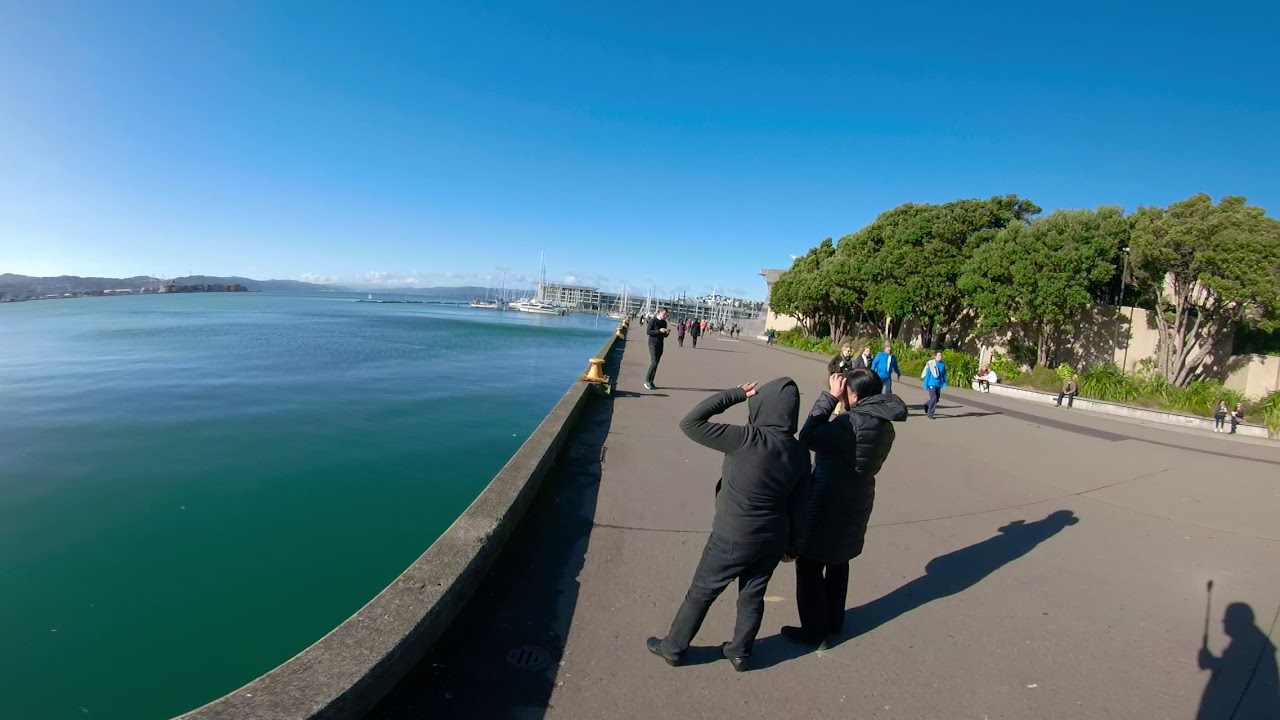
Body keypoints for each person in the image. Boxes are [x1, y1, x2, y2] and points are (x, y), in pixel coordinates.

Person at [648, 378, 808, 672]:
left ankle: (673, 647)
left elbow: (691, 422)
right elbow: (800, 503)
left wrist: (735, 394)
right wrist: (793, 545)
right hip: (773, 538)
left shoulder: (745, 438)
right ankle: (739, 652)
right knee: (752, 596)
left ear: (761, 406)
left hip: (732, 535)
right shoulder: (799, 452)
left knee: (702, 592)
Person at [783, 369, 907, 646]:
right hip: (858, 497)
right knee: (839, 561)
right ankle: (834, 622)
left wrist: (828, 398)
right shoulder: (882, 420)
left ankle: (814, 631)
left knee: (810, 563)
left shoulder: (850, 422)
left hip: (830, 496)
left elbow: (808, 437)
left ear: (854, 393)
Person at [644, 308, 669, 391]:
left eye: (666, 315)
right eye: (664, 314)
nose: (665, 316)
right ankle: (647, 381)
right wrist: (659, 331)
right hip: (652, 343)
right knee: (654, 361)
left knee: (656, 363)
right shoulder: (653, 320)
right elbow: (648, 332)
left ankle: (651, 381)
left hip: (660, 344)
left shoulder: (664, 322)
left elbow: (664, 336)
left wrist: (666, 333)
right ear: (660, 313)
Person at [922, 351, 947, 419]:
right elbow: (928, 375)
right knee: (933, 398)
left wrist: (944, 383)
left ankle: (927, 404)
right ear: (935, 356)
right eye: (938, 355)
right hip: (931, 383)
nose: (940, 357)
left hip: (938, 384)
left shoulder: (942, 365)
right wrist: (925, 384)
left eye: (941, 355)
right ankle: (930, 414)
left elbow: (943, 375)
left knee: (937, 399)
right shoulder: (931, 364)